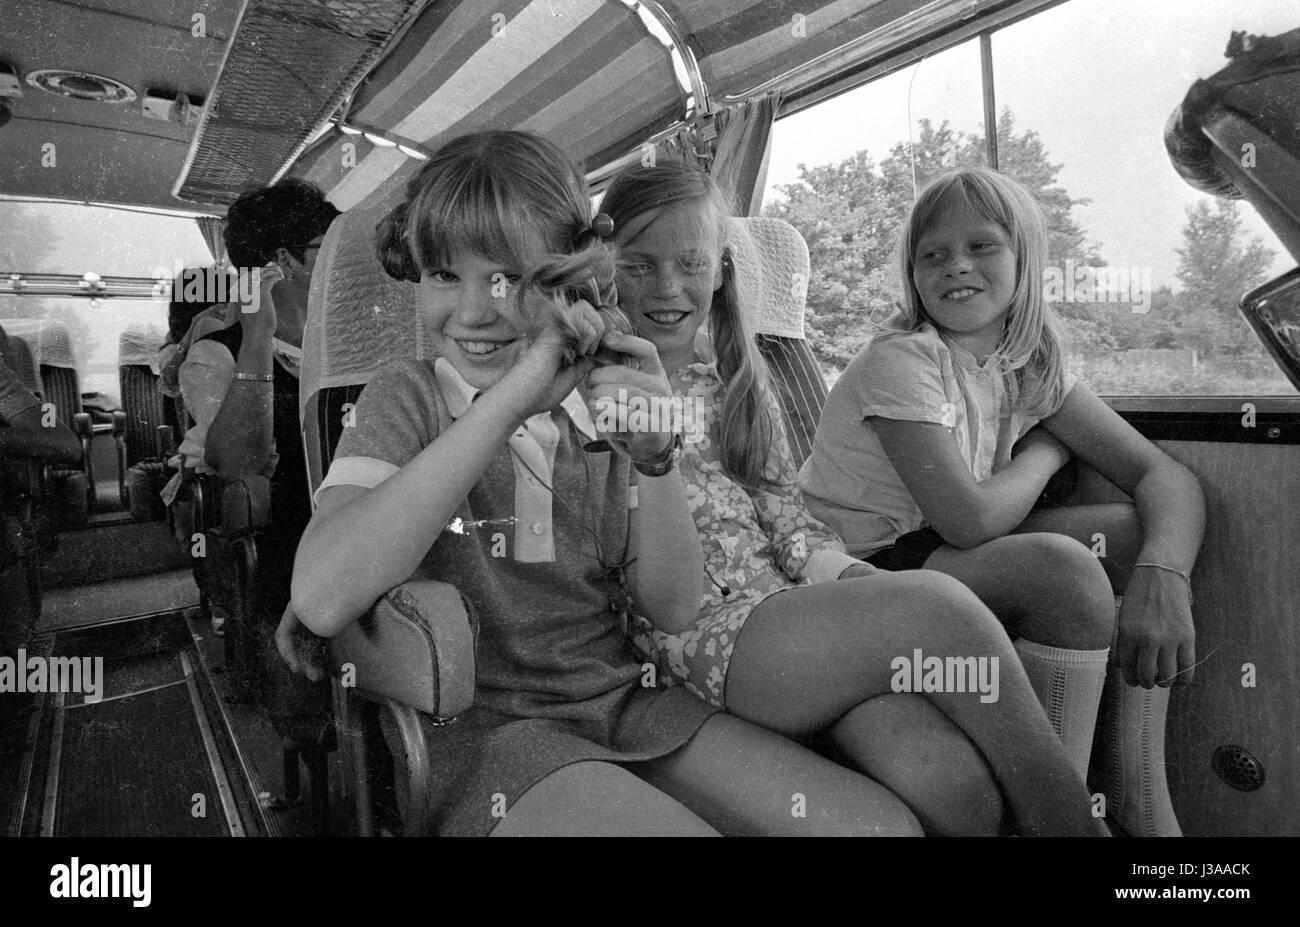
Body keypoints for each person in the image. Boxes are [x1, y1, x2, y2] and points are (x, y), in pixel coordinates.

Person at [289, 129, 995, 837]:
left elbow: (676, 603)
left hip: (633, 702)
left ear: (571, 279)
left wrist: (656, 455)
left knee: (882, 830)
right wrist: (513, 398)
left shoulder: (607, 396)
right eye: (444, 275)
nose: (473, 310)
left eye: (509, 278)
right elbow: (322, 596)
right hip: (493, 737)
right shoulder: (403, 399)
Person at [598, 160, 1102, 837]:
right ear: (603, 272)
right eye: (637, 265)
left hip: (787, 620)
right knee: (937, 604)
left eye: (689, 263)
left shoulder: (737, 389)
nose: (666, 286)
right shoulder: (594, 395)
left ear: (720, 272)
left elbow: (790, 523)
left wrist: (856, 585)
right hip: (691, 644)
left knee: (956, 791)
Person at [800, 167, 1205, 837]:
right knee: (1065, 569)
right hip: (861, 570)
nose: (954, 264)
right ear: (912, 274)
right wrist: (1044, 451)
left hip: (934, 550)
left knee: (1134, 534)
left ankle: (1133, 787)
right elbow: (971, 518)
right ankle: (1059, 815)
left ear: (1025, 258)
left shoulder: (1028, 363)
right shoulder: (902, 359)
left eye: (981, 245)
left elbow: (1163, 476)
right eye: (932, 253)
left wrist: (1166, 575)